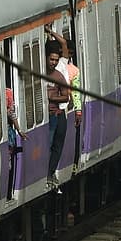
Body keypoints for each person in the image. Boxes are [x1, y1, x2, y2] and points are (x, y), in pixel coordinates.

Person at [45, 45, 71, 191]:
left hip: (53, 115)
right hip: (43, 117)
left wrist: (52, 98)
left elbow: (66, 96)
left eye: (56, 60)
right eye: (51, 59)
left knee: (53, 145)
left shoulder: (58, 76)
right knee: (46, 146)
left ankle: (50, 172)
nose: (53, 62)